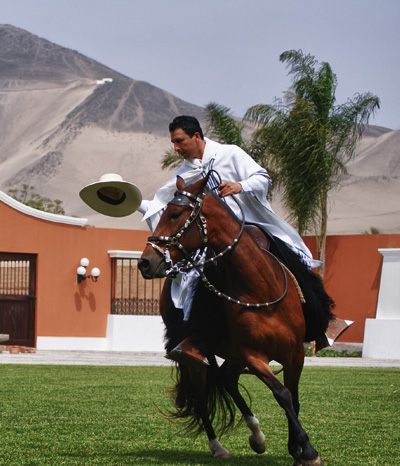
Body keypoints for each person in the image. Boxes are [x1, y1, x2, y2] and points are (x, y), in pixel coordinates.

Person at [137, 116, 345, 361]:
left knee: (291, 257)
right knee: (191, 278)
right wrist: (133, 202)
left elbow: (263, 178)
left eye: (180, 141)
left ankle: (324, 323)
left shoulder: (230, 154)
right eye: (173, 143)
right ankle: (196, 342)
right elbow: (165, 205)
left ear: (196, 136)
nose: (176, 148)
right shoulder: (184, 172)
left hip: (251, 227)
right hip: (212, 240)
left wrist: (240, 185)